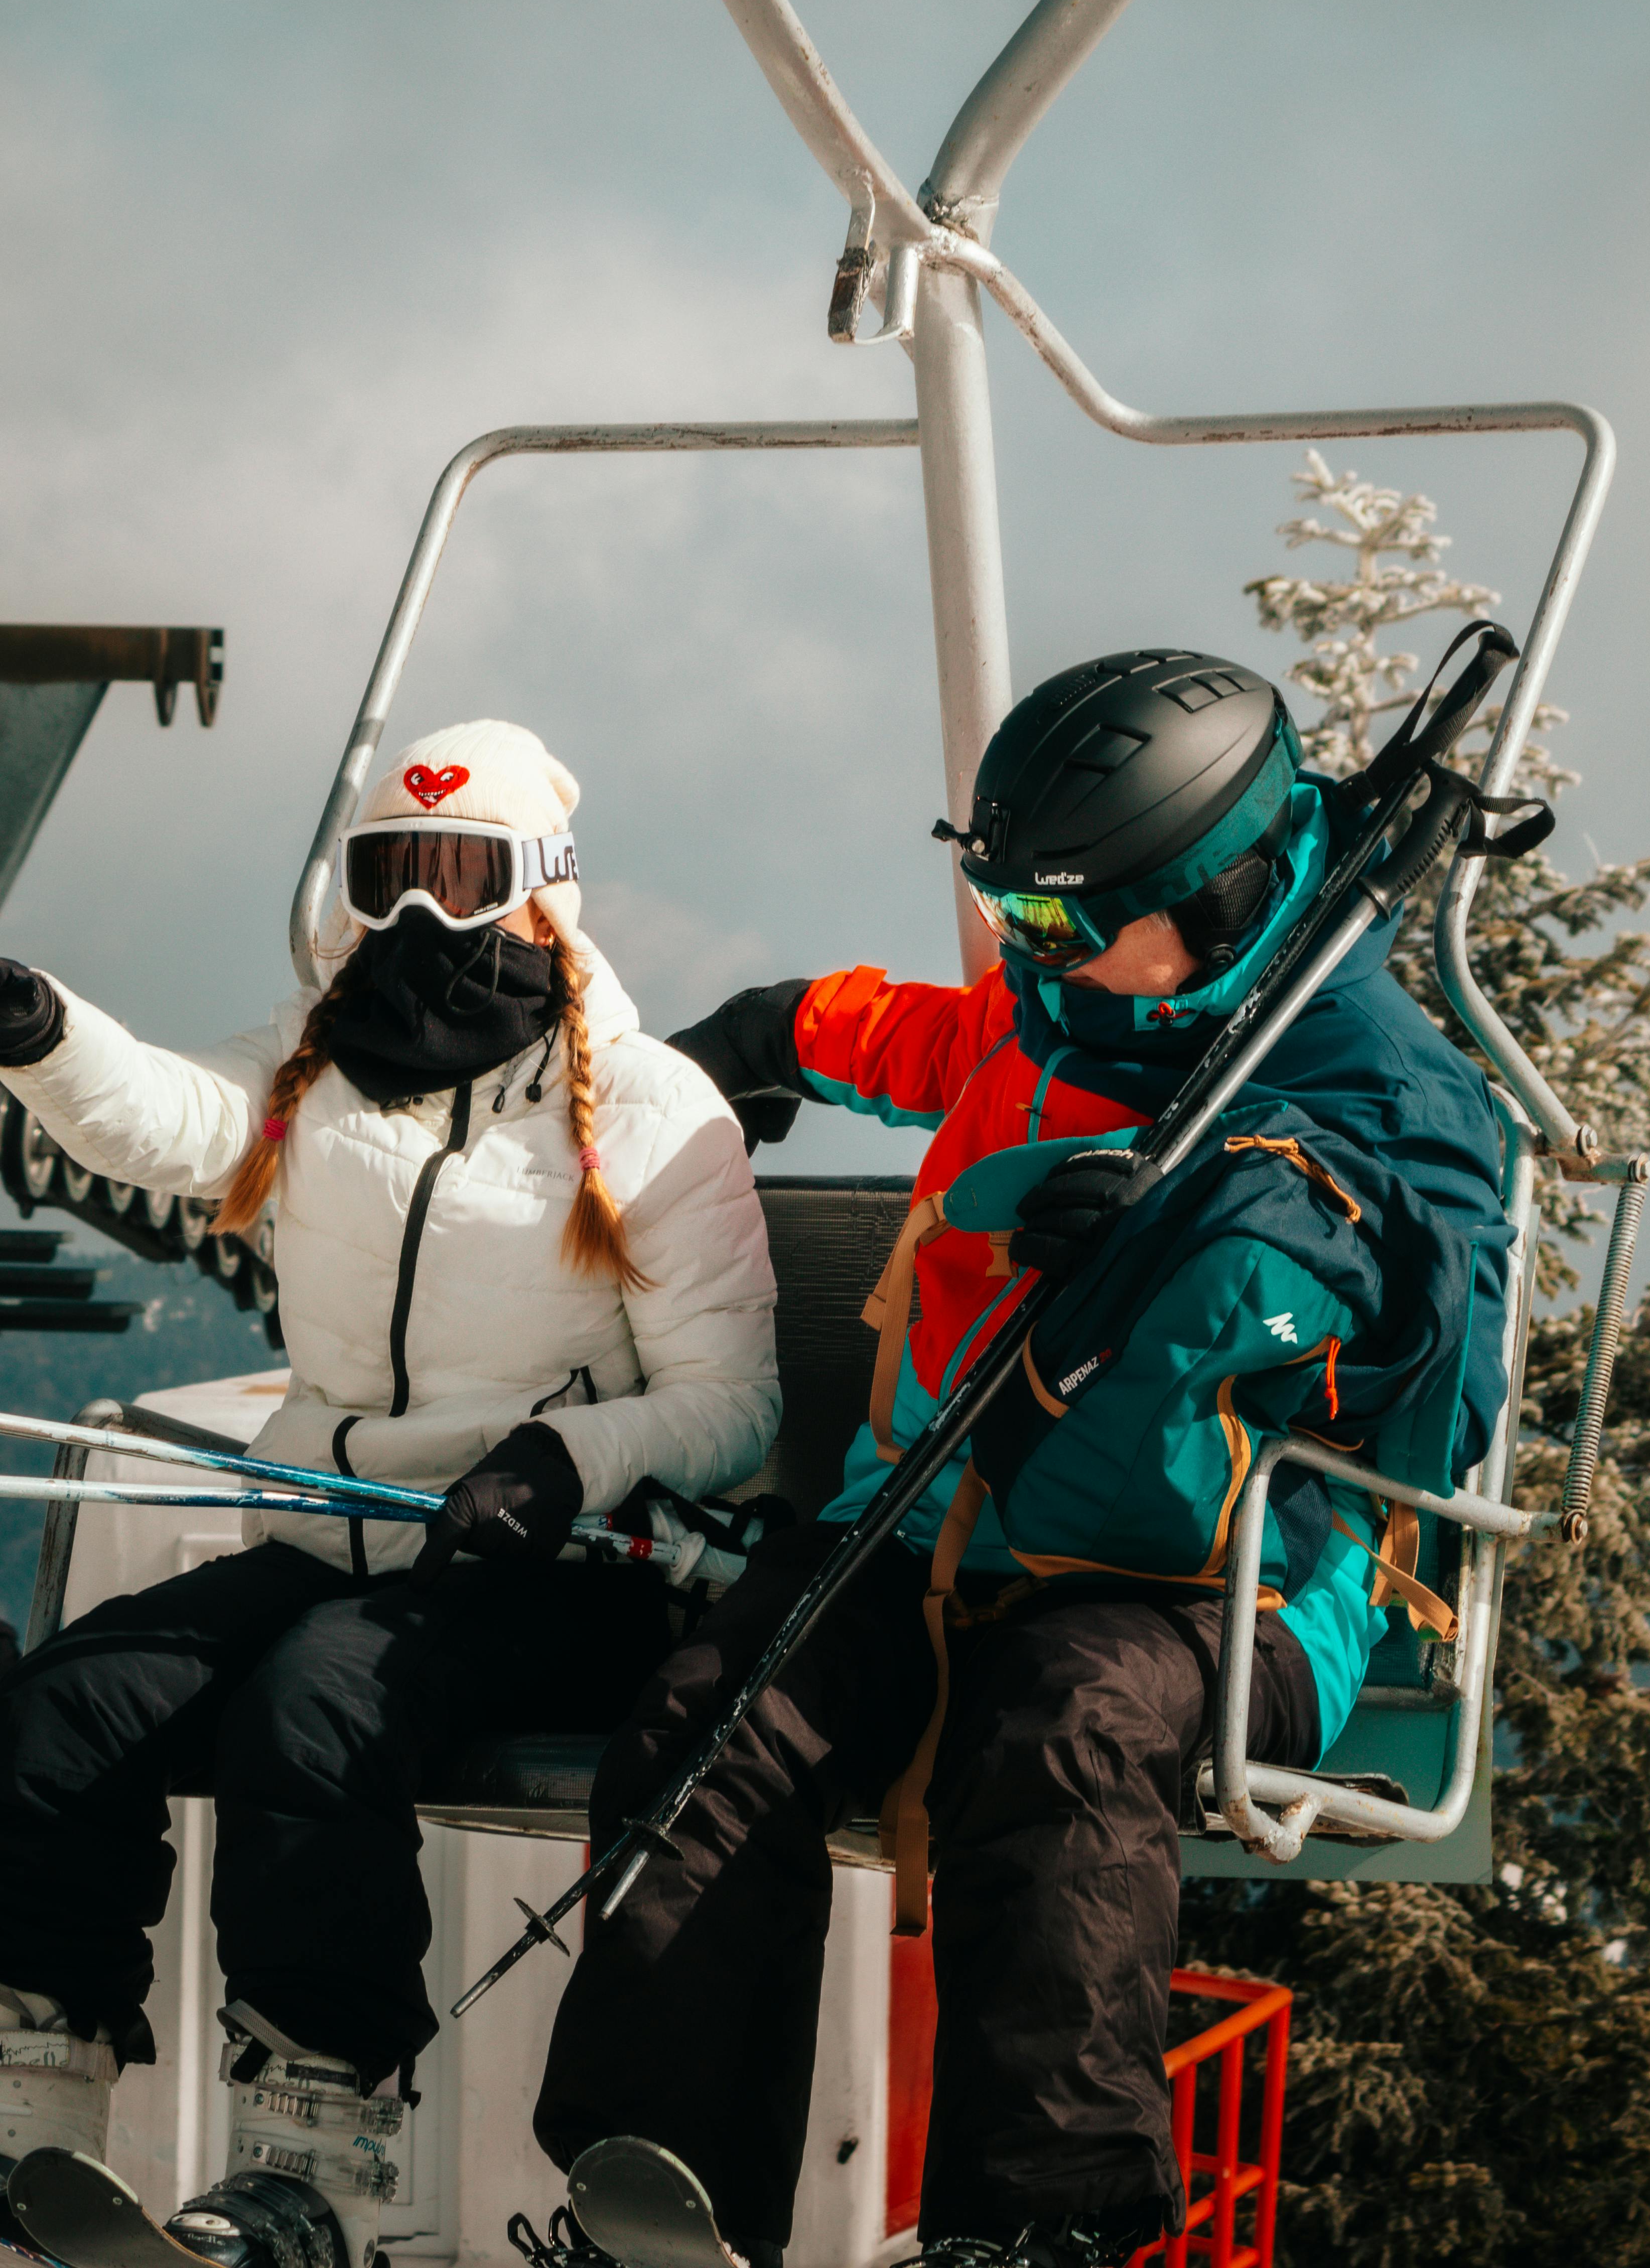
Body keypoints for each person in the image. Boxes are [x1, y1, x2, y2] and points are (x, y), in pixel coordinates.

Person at [529, 650, 1514, 2268]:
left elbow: (1434, 1393)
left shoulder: (1388, 1087)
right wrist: (750, 1045)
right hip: (924, 1537)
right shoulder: (1052, 1011)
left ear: (1221, 893)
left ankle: (1041, 2233)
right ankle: (659, 2194)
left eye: (1061, 923)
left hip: (1225, 1592)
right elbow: (899, 1035)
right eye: (1008, 915)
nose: (1027, 955)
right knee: (719, 1720)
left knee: (1056, 1732)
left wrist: (1208, 1233)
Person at [0, 721, 778, 2268]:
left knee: (316, 1702)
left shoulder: (640, 1103)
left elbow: (733, 1408)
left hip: (559, 1568)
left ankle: (316, 2158)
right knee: (71, 1702)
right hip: (331, 1536)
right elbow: (161, 1118)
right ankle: (38, 2105)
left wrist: (565, 1460)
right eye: (390, 876)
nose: (422, 920)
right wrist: (33, 1028)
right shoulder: (319, 1069)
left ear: (540, 891)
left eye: (463, 877)